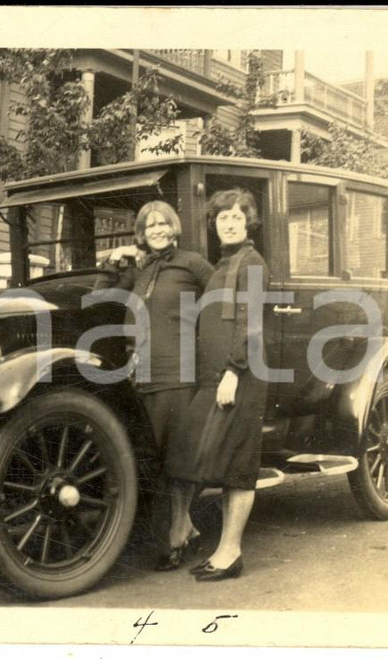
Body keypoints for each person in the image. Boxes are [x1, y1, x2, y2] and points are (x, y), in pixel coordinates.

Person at [96, 200, 214, 571]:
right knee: (155, 459)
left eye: (163, 223)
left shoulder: (192, 263)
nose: (158, 230)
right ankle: (185, 525)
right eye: (150, 225)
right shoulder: (140, 270)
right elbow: (100, 298)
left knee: (179, 458)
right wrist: (114, 261)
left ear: (174, 227)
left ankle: (178, 533)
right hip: (143, 375)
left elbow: (223, 301)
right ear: (142, 233)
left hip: (180, 373)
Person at [170, 188, 270, 582]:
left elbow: (251, 324)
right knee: (191, 455)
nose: (229, 223)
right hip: (214, 376)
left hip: (240, 376)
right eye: (223, 217)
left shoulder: (252, 263)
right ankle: (187, 529)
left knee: (238, 466)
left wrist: (234, 370)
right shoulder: (222, 265)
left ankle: (230, 552)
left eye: (236, 217)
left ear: (249, 223)